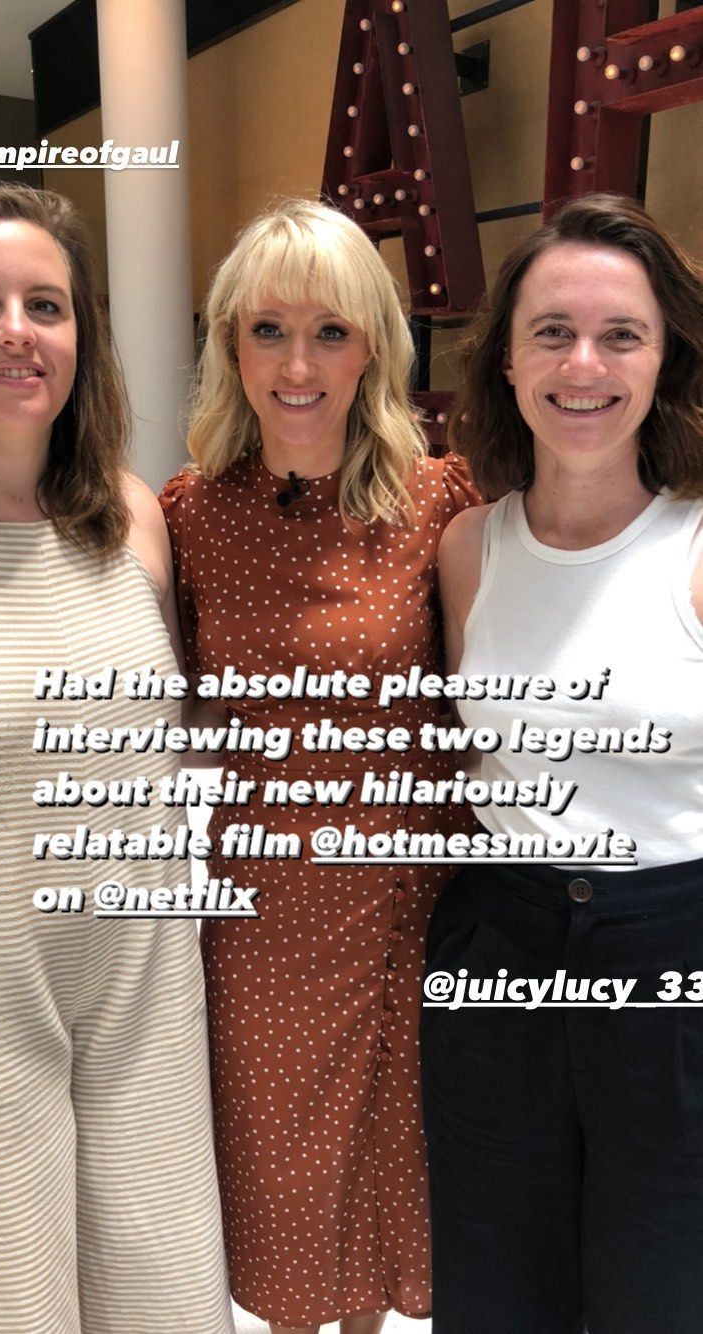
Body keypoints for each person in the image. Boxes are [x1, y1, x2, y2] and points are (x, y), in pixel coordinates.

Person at [160, 198, 479, 1334]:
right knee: (289, 1201)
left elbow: (488, 705)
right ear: (231, 347)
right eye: (269, 330)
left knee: (409, 1193)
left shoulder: (440, 500)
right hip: (269, 924)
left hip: (418, 910)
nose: (299, 365)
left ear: (374, 347)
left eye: (331, 331)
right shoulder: (191, 517)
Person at [0, 184, 232, 1334]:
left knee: (166, 1301)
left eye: (46, 304)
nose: (16, 330)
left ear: (83, 335)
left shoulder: (129, 516)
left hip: (143, 1005)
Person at [423, 193, 703, 1333]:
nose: (583, 365)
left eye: (620, 334)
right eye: (553, 332)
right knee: (496, 1296)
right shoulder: (467, 549)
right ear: (505, 359)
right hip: (502, 947)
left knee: (665, 1295)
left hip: (675, 956)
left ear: (665, 357)